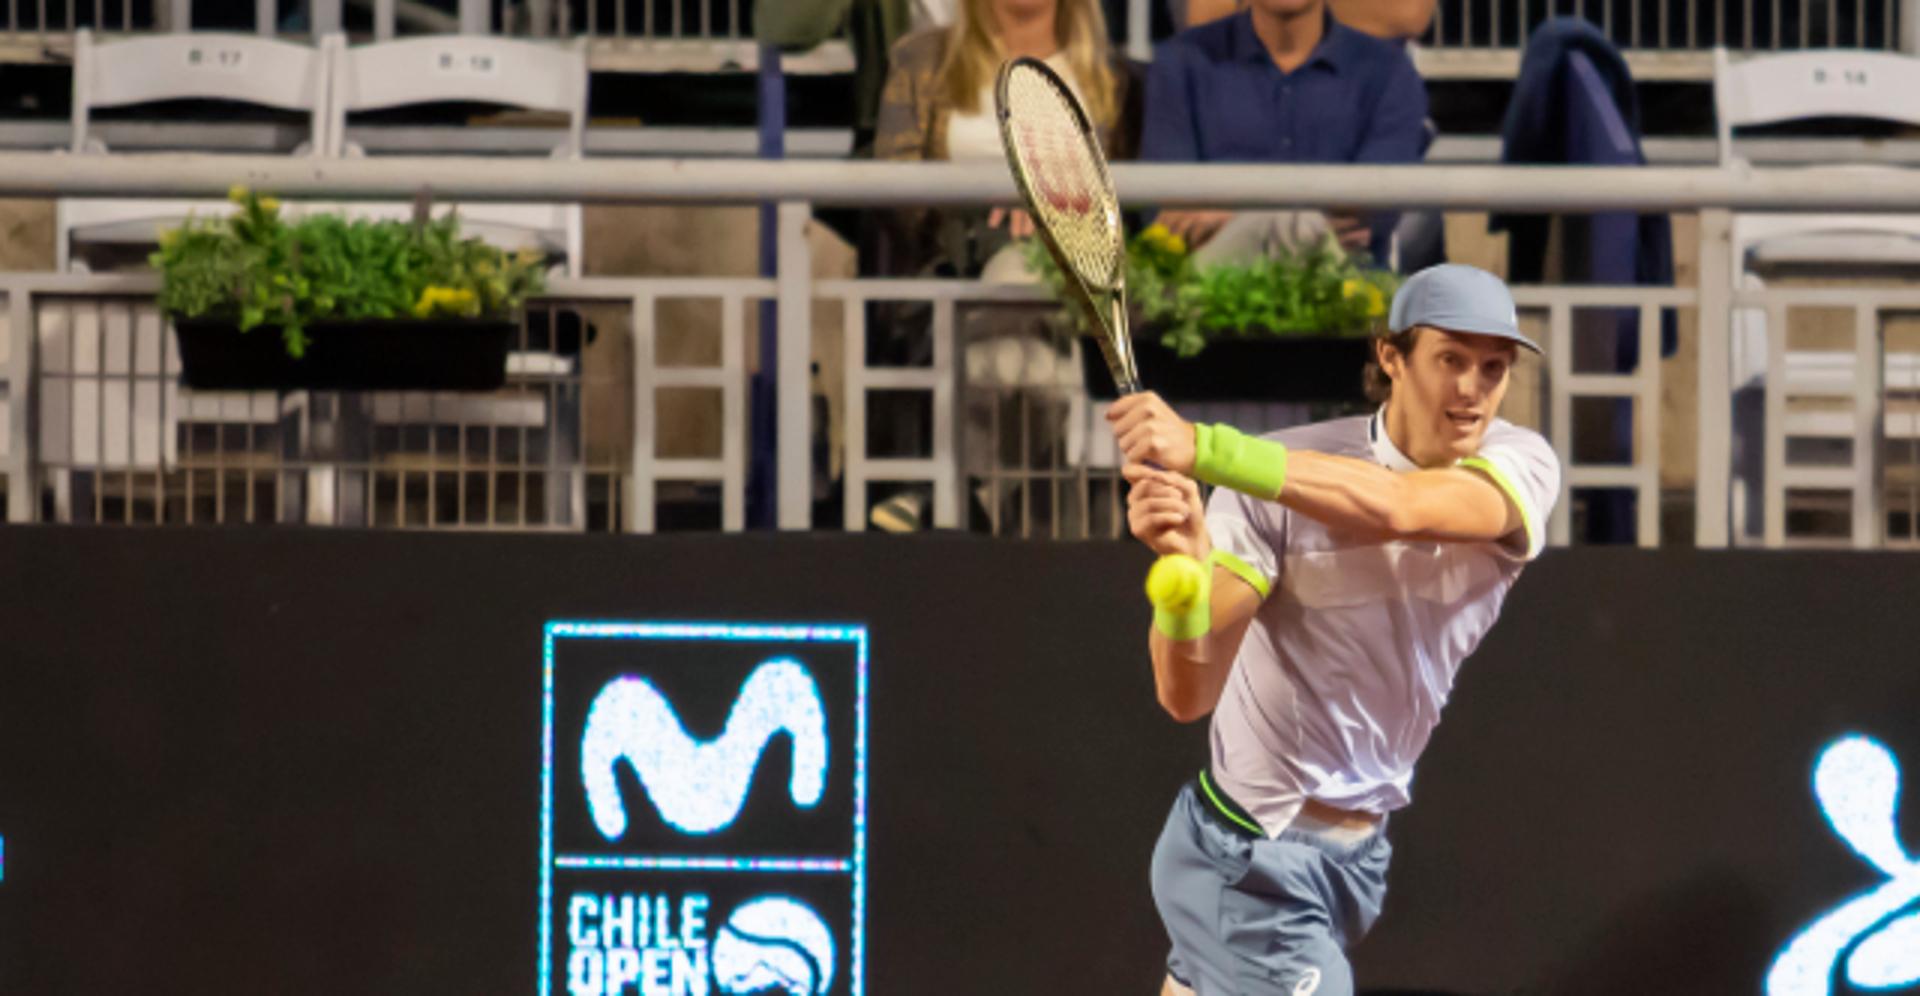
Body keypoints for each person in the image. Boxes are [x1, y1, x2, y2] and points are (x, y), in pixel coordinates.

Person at [1107, 263, 1560, 996]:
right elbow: (1184, 692)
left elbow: (1400, 508)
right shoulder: (1271, 491)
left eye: (1494, 367)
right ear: (1392, 356)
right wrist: (1185, 570)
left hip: (1356, 857)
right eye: (1451, 360)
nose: (1474, 389)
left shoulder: (1522, 463)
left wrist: (1210, 449)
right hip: (1248, 853)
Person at [1141, 0, 1429, 265]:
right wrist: (1310, 217)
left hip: (1345, 294)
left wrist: (1228, 213)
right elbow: (1169, 211)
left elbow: (1371, 206)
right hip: (1209, 295)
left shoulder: (1389, 72)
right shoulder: (1181, 63)